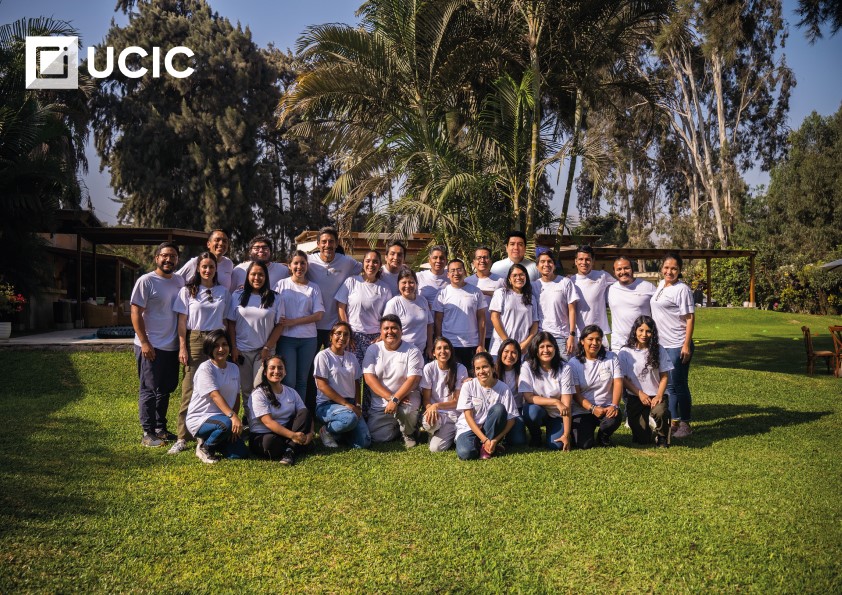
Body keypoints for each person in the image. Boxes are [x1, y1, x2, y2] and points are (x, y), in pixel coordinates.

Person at [169, 251, 230, 455]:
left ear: (216, 269)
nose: (207, 270)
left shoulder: (223, 291)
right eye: (204, 266)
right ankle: (182, 437)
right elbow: (182, 322)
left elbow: (226, 320)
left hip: (217, 340)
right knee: (190, 388)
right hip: (195, 339)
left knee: (217, 386)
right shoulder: (187, 291)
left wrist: (228, 345)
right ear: (198, 268)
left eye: (211, 266)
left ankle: (209, 432)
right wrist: (182, 347)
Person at [131, 241, 185, 447]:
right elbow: (135, 312)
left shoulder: (179, 281)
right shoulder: (146, 281)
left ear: (177, 260)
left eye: (173, 256)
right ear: (157, 258)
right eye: (164, 255)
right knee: (149, 389)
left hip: (171, 346)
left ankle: (160, 428)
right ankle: (147, 433)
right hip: (151, 345)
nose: (168, 259)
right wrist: (145, 342)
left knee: (165, 389)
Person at [306, 226, 362, 404]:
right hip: (313, 326)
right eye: (323, 242)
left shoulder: (347, 262)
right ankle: (312, 406)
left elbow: (367, 269)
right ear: (317, 244)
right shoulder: (309, 261)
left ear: (337, 243)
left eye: (331, 241)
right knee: (312, 369)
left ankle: (340, 403)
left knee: (338, 370)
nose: (327, 245)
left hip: (336, 328)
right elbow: (292, 269)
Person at [226, 261, 284, 421]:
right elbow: (231, 323)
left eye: (260, 274)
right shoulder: (237, 296)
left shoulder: (275, 297)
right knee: (245, 389)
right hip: (242, 351)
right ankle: (250, 420)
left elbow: (279, 325)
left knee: (259, 387)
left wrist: (267, 348)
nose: (257, 278)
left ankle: (262, 420)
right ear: (247, 276)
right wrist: (234, 347)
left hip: (264, 352)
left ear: (266, 277)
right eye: (253, 274)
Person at [649, 252, 695, 439]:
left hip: (677, 344)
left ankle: (685, 423)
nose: (669, 271)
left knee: (679, 385)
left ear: (680, 270)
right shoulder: (661, 285)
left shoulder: (682, 289)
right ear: (662, 268)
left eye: (674, 268)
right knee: (668, 386)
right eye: (666, 267)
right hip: (662, 344)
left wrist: (686, 345)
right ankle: (674, 422)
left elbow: (690, 318)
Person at [185, 330, 249, 463]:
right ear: (209, 348)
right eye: (216, 346)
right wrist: (232, 418)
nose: (221, 349)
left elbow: (236, 397)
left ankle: (212, 439)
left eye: (224, 344)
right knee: (225, 424)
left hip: (224, 419)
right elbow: (215, 395)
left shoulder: (234, 368)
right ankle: (205, 448)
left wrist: (234, 424)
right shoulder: (205, 368)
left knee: (240, 453)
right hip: (201, 418)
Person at [362, 314, 423, 447]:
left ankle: (409, 432)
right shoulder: (373, 349)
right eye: (386, 328)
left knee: (406, 411)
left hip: (406, 397)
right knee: (377, 437)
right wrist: (391, 398)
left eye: (394, 328)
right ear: (380, 332)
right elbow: (369, 378)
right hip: (382, 401)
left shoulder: (412, 350)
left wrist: (397, 399)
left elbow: (413, 379)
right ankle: (400, 426)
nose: (390, 331)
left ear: (401, 331)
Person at [274, 250, 324, 401]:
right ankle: (288, 409)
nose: (299, 266)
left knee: (302, 380)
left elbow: (318, 315)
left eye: (303, 263)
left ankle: (300, 412)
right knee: (289, 380)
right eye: (295, 263)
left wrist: (292, 322)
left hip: (308, 339)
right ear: (289, 266)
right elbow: (271, 307)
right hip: (286, 338)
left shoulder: (314, 288)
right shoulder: (281, 285)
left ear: (307, 265)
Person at [313, 321, 371, 449]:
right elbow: (322, 386)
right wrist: (346, 404)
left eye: (346, 334)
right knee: (349, 419)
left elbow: (357, 383)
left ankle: (339, 434)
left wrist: (357, 405)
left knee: (364, 442)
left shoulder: (352, 357)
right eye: (338, 333)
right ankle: (326, 431)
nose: (342, 337)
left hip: (350, 403)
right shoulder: (323, 356)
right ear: (331, 336)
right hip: (327, 405)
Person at [248, 355, 314, 465]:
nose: (276, 371)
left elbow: (306, 415)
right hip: (264, 434)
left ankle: (289, 450)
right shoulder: (258, 394)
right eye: (272, 368)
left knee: (304, 412)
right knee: (270, 443)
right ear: (265, 372)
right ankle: (296, 445)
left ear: (285, 372)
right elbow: (268, 422)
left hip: (287, 431)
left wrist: (311, 434)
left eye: (280, 368)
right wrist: (293, 436)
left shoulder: (291, 392)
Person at [618, 316, 672, 447]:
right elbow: (622, 378)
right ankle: (647, 428)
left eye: (648, 331)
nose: (644, 334)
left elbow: (664, 376)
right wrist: (640, 394)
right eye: (641, 330)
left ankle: (662, 435)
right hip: (636, 396)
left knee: (660, 412)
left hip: (656, 395)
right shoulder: (625, 352)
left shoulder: (659, 349)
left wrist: (659, 395)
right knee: (642, 440)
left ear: (653, 333)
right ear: (635, 331)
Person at [454, 352, 519, 460]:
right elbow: (468, 417)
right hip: (469, 428)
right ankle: (485, 446)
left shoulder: (504, 388)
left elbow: (511, 419)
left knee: (499, 409)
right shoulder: (468, 386)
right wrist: (485, 440)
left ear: (493, 368)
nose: (481, 371)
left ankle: (488, 446)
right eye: (477, 368)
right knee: (466, 453)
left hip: (490, 430)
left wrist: (495, 439)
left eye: (485, 367)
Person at [568, 325, 623, 449]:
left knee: (613, 418)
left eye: (598, 339)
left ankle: (603, 436)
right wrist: (592, 408)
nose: (594, 343)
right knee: (584, 445)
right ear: (582, 341)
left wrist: (614, 405)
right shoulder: (573, 363)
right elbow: (576, 394)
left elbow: (618, 382)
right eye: (590, 339)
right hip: (583, 410)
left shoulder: (612, 357)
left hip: (606, 407)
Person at [336, 250, 393, 367]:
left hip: (374, 338)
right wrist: (347, 333)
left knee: (372, 372)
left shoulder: (385, 288)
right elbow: (341, 307)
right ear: (363, 263)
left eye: (375, 262)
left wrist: (381, 337)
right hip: (353, 336)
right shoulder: (351, 281)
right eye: (368, 261)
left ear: (380, 265)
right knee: (352, 372)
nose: (371, 264)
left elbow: (388, 316)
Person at [519, 332, 574, 449]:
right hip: (539, 410)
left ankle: (559, 430)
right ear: (535, 349)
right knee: (531, 411)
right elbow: (528, 397)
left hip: (557, 414)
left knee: (556, 445)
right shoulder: (527, 366)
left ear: (555, 348)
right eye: (541, 347)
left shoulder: (565, 368)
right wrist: (556, 402)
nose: (546, 350)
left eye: (549, 346)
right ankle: (536, 435)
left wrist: (566, 434)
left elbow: (566, 404)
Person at [433, 259, 487, 371]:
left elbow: (481, 319)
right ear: (448, 274)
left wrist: (481, 344)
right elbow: (438, 320)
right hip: (450, 344)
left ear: (465, 272)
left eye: (459, 270)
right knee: (451, 375)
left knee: (471, 376)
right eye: (452, 270)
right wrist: (439, 342)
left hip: (472, 344)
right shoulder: (442, 294)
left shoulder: (476, 292)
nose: (456, 273)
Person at [420, 337, 469, 452]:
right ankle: (434, 432)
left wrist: (437, 405)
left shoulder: (460, 369)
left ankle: (451, 433)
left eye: (446, 348)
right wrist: (431, 409)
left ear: (451, 351)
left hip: (454, 415)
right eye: (439, 348)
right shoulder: (429, 368)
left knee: (435, 448)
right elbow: (426, 399)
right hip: (436, 413)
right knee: (428, 422)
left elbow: (456, 401)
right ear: (433, 353)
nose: (443, 351)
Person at [532, 250, 578, 357]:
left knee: (564, 366)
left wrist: (572, 335)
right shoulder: (534, 286)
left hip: (562, 337)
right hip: (541, 337)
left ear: (554, 265)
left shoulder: (565, 282)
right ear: (537, 266)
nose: (546, 264)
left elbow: (572, 310)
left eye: (549, 261)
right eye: (542, 261)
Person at [488, 263, 539, 357]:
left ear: (526, 277)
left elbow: (535, 323)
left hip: (522, 348)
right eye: (514, 275)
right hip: (501, 346)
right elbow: (494, 318)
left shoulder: (531, 298)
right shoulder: (501, 293)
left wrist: (527, 343)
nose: (518, 278)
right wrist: (507, 342)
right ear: (509, 279)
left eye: (521, 275)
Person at [607, 256, 656, 349]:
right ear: (614, 272)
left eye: (626, 268)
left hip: (642, 341)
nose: (623, 272)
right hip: (619, 343)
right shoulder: (610, 289)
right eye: (619, 269)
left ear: (632, 269)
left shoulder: (648, 287)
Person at [383, 268, 433, 358]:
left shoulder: (422, 300)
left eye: (411, 282)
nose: (407, 285)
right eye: (404, 282)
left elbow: (429, 324)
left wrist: (430, 346)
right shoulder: (393, 303)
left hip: (422, 353)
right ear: (398, 284)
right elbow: (386, 330)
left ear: (416, 284)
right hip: (401, 353)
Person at [569, 245, 615, 341]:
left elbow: (621, 287)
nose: (584, 262)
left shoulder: (603, 276)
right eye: (580, 259)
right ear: (575, 261)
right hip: (578, 334)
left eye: (587, 259)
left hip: (599, 332)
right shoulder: (570, 281)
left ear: (593, 261)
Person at [466, 245, 506, 350]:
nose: (482, 261)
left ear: (490, 261)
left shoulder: (500, 281)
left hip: (496, 333)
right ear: (474, 262)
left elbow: (508, 300)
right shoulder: (467, 281)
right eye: (479, 258)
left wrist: (484, 292)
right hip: (474, 334)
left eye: (485, 257)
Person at [495, 339, 527, 446]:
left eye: (514, 352)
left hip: (515, 410)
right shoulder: (492, 370)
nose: (509, 355)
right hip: (497, 411)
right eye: (506, 351)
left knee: (518, 441)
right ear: (500, 352)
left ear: (518, 355)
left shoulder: (523, 371)